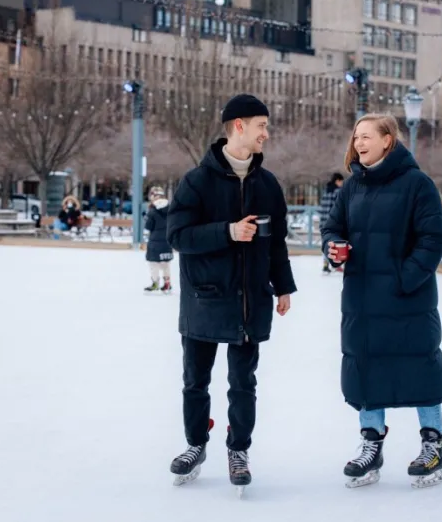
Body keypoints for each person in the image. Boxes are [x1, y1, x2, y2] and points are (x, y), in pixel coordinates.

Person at [166, 94, 297, 489]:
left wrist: (283, 286)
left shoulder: (267, 184)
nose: (266, 134)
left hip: (250, 299)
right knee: (195, 381)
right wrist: (228, 231)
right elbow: (178, 236)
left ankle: (238, 448)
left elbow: (276, 243)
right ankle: (195, 443)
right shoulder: (196, 181)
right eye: (261, 126)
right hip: (205, 298)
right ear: (239, 126)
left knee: (243, 383)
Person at [320, 113, 442, 489]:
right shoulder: (352, 186)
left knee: (420, 367)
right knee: (366, 368)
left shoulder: (417, 184)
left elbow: (433, 239)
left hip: (407, 299)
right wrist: (334, 248)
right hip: (362, 299)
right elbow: (332, 227)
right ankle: (371, 444)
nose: (358, 143)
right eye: (356, 137)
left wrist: (404, 279)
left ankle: (432, 444)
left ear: (387, 141)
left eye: (366, 136)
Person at [143, 186, 173, 293]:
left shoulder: (152, 210)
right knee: (165, 263)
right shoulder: (170, 209)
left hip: (155, 241)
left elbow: (148, 226)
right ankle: (167, 284)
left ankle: (155, 283)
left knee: (153, 263)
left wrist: (146, 216)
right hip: (167, 240)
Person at [318, 172, 344, 273]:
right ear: (337, 181)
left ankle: (325, 265)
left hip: (323, 222)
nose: (342, 184)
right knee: (336, 243)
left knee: (327, 244)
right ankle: (337, 264)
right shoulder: (338, 191)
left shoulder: (326, 191)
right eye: (341, 181)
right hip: (333, 221)